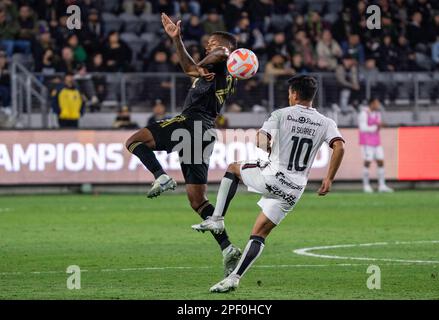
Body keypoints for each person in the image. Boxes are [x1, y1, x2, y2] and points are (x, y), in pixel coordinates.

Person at [192, 75, 345, 292]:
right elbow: (339, 146)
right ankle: (234, 278)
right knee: (259, 234)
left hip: (273, 177)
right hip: (294, 189)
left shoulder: (281, 114)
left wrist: (267, 146)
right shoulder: (326, 122)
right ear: (312, 96)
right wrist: (329, 178)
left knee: (233, 168)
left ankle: (216, 218)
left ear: (293, 94)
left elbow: (261, 139)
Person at [125, 13, 241, 276]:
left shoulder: (221, 60)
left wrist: (205, 60)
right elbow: (190, 67)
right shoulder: (213, 70)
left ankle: (161, 176)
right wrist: (177, 39)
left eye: (211, 42)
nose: (208, 45)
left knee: (134, 141)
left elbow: (220, 53)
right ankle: (228, 249)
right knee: (197, 200)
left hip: (190, 123)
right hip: (204, 131)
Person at [358, 98, 393, 193]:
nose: (378, 105)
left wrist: (381, 125)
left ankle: (382, 185)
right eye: (377, 103)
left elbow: (378, 125)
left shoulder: (378, 114)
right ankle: (366, 185)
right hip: (366, 142)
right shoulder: (364, 113)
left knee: (381, 161)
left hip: (376, 142)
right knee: (367, 162)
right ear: (372, 103)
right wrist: (375, 127)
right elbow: (362, 128)